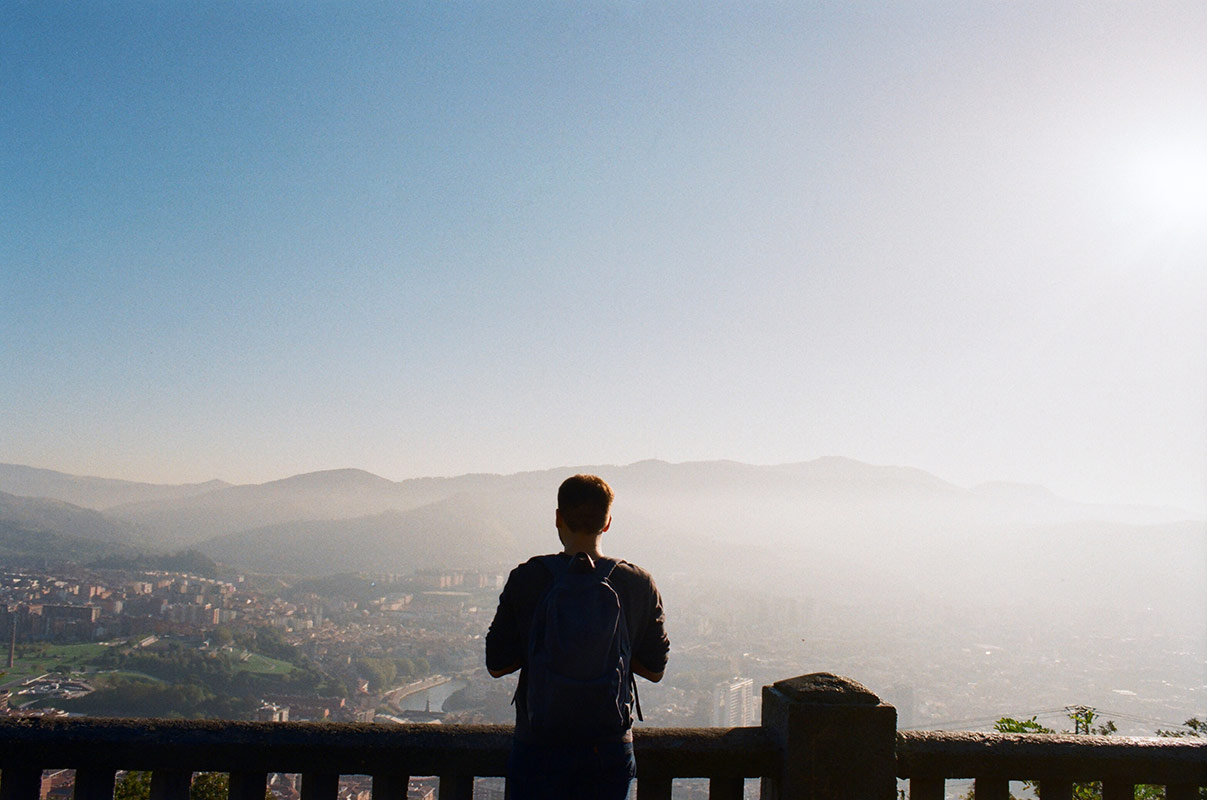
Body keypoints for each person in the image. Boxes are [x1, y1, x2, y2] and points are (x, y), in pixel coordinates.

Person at [485, 474, 670, 800]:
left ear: (558, 518)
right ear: (608, 522)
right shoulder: (639, 583)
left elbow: (497, 665)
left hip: (538, 746)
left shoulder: (527, 578)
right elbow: (655, 670)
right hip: (609, 749)